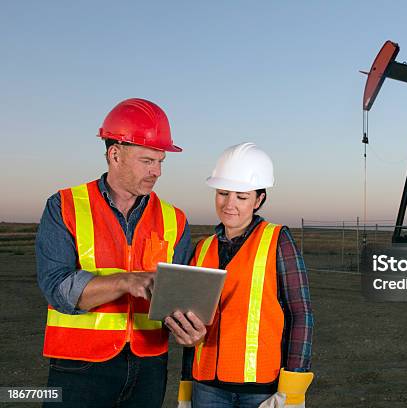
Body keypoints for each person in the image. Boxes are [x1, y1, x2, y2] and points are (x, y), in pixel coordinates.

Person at [36, 98, 207, 407]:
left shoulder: (174, 219)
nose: (157, 172)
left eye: (160, 162)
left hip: (150, 367)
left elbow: (176, 298)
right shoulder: (64, 206)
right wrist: (127, 281)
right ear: (114, 154)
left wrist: (188, 330)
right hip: (78, 365)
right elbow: (58, 290)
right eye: (147, 161)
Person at [175, 142, 314, 408]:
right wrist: (186, 386)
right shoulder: (203, 249)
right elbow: (190, 320)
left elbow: (301, 314)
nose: (229, 204)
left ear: (259, 200)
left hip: (262, 389)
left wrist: (292, 389)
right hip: (206, 387)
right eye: (223, 193)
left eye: (242, 196)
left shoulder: (277, 240)